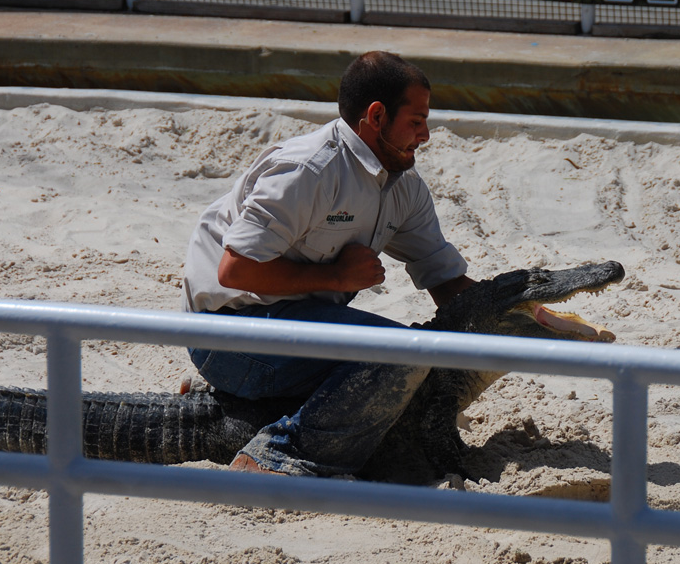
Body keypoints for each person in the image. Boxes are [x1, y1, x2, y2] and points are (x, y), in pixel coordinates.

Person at [182, 51, 475, 477]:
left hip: (295, 327)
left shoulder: (404, 186)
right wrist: (335, 276)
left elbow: (445, 280)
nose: (426, 134)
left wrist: (525, 315)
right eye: (416, 121)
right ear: (376, 116)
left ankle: (242, 407)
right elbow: (235, 271)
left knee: (411, 367)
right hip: (227, 333)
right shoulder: (310, 170)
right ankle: (272, 455)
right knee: (399, 356)